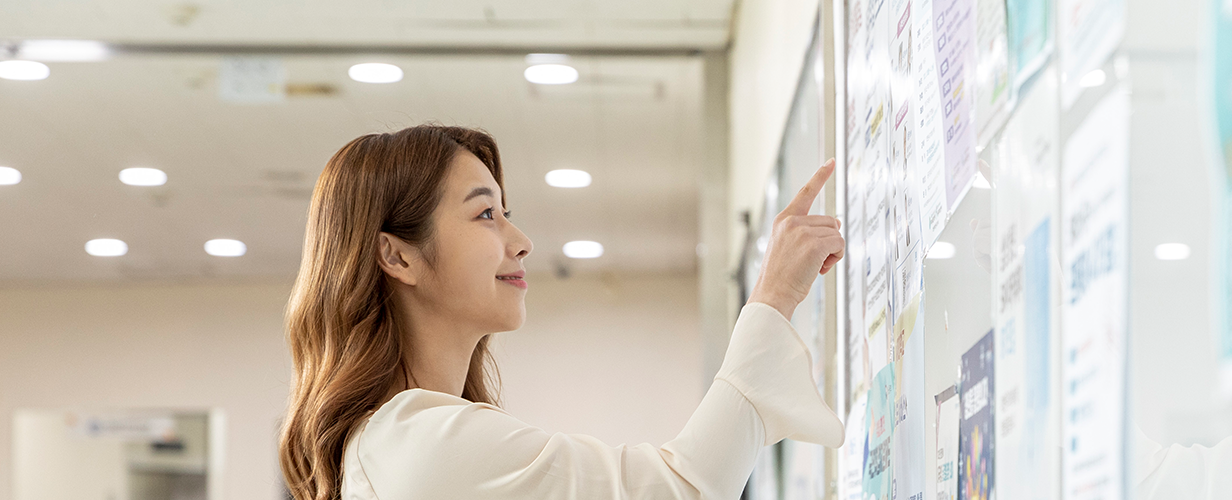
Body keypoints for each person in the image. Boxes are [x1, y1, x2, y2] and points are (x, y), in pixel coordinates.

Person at [276, 125, 846, 500]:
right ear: (397, 255)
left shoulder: (396, 442)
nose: (521, 241)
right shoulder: (422, 443)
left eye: (506, 213)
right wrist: (775, 296)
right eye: (485, 215)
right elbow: (682, 489)